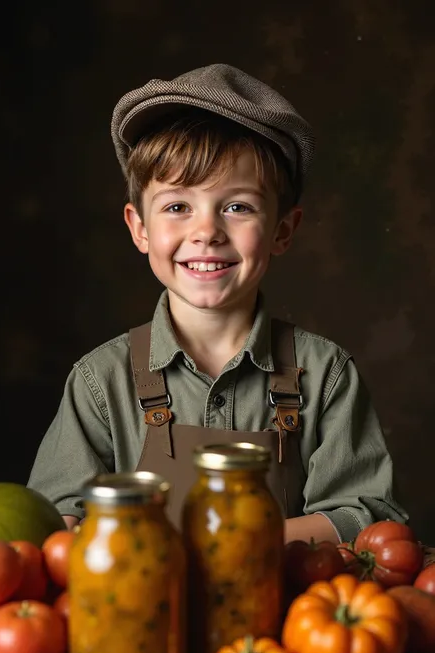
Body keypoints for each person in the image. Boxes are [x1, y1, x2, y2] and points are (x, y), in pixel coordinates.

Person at [27, 63, 407, 541]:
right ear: (139, 228)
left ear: (282, 230)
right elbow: (55, 525)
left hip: (284, 614)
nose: (206, 231)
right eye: (177, 206)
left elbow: (365, 514)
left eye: (237, 206)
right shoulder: (99, 383)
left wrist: (232, 548)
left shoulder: (327, 375)